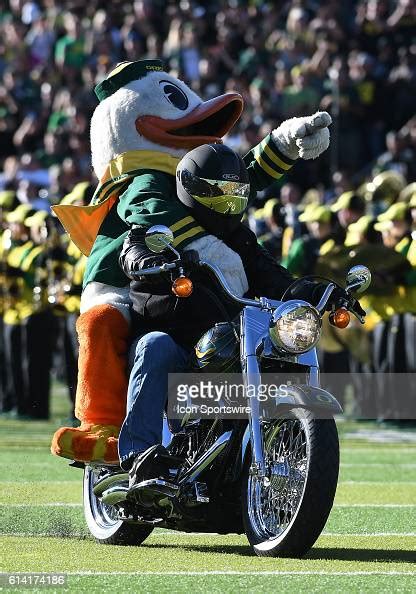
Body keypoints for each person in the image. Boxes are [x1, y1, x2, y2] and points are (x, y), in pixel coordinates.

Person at [117, 143, 365, 486]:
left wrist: (323, 293)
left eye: (237, 193)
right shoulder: (159, 222)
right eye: (221, 193)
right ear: (194, 188)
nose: (229, 204)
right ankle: (139, 456)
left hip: (227, 339)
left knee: (274, 356)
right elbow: (133, 248)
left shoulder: (238, 238)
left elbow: (274, 276)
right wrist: (152, 260)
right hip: (176, 338)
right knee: (155, 346)